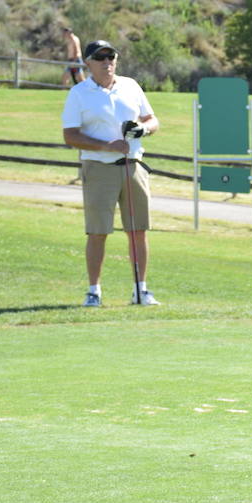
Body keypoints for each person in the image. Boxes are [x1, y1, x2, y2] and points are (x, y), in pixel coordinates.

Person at [61, 40, 161, 307]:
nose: (107, 63)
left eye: (111, 57)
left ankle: (141, 290)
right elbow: (70, 135)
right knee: (98, 231)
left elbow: (152, 119)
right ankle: (94, 291)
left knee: (138, 229)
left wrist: (143, 129)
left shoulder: (131, 86)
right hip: (99, 168)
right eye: (101, 58)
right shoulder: (80, 93)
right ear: (89, 63)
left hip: (133, 166)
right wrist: (106, 145)